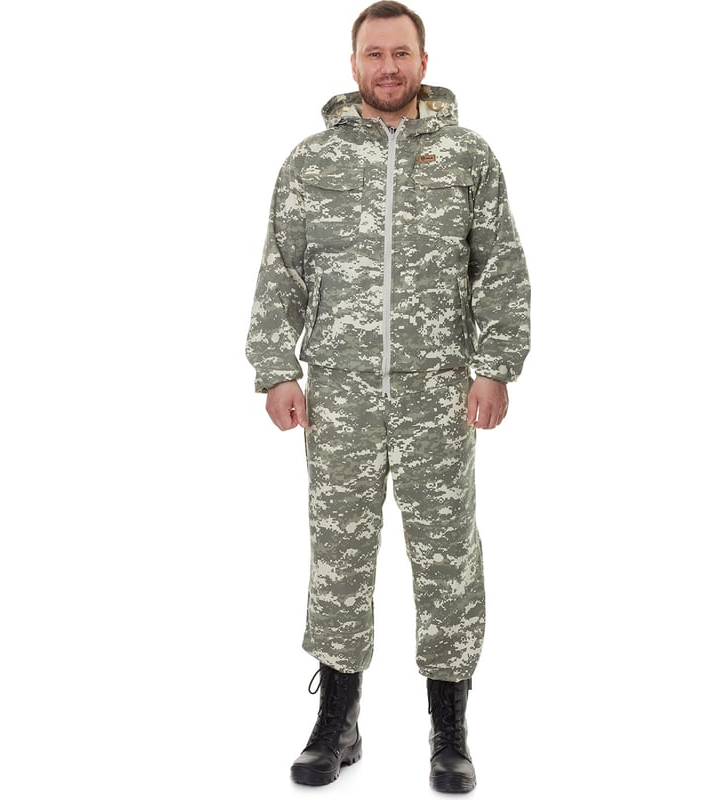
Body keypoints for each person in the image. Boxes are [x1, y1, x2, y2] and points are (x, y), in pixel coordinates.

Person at [245, 2, 530, 792]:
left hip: (439, 394)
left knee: (447, 556)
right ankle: (337, 722)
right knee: (339, 554)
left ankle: (450, 729)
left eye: (401, 53)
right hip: (339, 396)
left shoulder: (469, 157)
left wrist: (495, 366)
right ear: (354, 65)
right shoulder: (312, 162)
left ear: (424, 61)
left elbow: (500, 268)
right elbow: (280, 269)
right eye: (374, 54)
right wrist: (276, 369)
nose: (389, 67)